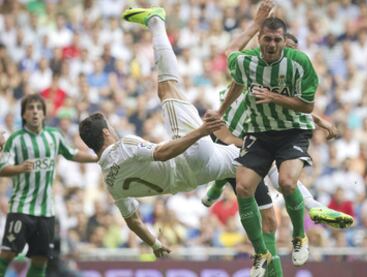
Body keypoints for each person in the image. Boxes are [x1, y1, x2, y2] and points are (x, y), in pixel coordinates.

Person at [79, 7, 236, 259]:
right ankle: (155, 20)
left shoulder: (110, 183)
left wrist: (154, 243)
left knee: (251, 158)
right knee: (167, 88)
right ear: (107, 133)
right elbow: (162, 153)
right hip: (191, 156)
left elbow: (133, 221)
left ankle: (305, 200)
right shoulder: (123, 146)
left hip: (196, 180)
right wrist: (200, 132)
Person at [204, 32, 352, 231]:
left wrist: (320, 121)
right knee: (268, 167)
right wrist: (256, 25)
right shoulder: (256, 72)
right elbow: (232, 52)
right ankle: (312, 207)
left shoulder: (283, 80)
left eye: (293, 52)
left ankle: (312, 210)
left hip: (247, 139)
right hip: (228, 134)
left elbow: (289, 109)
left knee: (277, 181)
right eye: (287, 50)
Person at [217, 15, 319, 269]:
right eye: (267, 39)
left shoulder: (300, 62)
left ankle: (299, 235)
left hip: (292, 130)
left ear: (284, 41)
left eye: (277, 39)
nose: (272, 44)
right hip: (259, 132)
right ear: (259, 39)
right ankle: (261, 252)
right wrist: (220, 111)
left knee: (286, 182)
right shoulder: (247, 61)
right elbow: (232, 61)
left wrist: (274, 97)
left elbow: (308, 105)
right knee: (242, 188)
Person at [0, 94, 98, 277]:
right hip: (21, 207)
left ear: (44, 114)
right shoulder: (16, 139)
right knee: (7, 253)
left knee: (40, 259)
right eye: (31, 108)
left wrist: (97, 158)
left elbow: (72, 153)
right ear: (24, 115)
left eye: (39, 108)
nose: (35, 111)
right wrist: (20, 168)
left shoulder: (54, 136)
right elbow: (2, 168)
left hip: (46, 211)